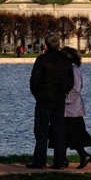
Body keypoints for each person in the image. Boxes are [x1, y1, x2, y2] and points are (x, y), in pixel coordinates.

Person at [28, 33, 74, 169]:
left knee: (41, 130)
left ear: (45, 45)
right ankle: (59, 162)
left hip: (44, 98)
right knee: (59, 131)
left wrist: (37, 94)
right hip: (59, 99)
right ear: (59, 45)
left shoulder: (42, 59)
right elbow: (70, 82)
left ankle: (39, 161)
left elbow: (34, 80)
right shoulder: (66, 61)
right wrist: (63, 92)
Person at [59, 47, 91, 168]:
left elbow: (76, 89)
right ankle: (63, 158)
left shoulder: (74, 69)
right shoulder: (68, 69)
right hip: (67, 109)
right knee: (62, 134)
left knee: (73, 134)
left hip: (72, 109)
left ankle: (82, 155)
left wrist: (64, 100)